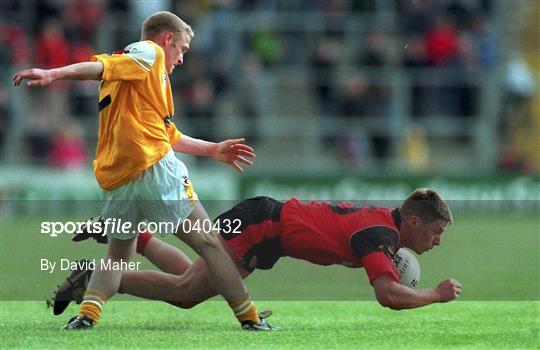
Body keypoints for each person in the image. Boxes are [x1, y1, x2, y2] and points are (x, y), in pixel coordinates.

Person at [13, 11, 271, 331]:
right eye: (183, 49)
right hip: (153, 169)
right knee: (210, 244)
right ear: (167, 39)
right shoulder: (149, 53)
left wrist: (213, 149)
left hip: (118, 178)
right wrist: (56, 75)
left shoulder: (145, 79)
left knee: (120, 256)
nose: (180, 59)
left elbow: (167, 132)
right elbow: (101, 66)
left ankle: (87, 316)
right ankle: (250, 319)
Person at [54, 188, 462, 316]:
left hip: (266, 227)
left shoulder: (382, 228)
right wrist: (435, 295)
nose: (438, 240)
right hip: (262, 226)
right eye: (436, 231)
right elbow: (387, 295)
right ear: (412, 222)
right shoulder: (379, 235)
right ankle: (97, 277)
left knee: (195, 282)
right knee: (186, 292)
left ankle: (134, 236)